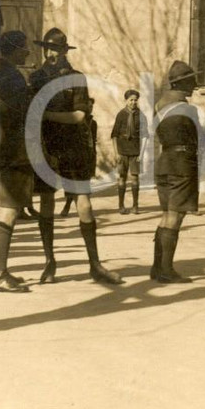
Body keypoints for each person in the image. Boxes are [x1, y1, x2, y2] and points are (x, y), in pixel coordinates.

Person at [29, 28, 123, 285]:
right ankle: (50, 263)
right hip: (47, 148)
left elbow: (80, 116)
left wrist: (46, 116)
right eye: (48, 49)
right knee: (46, 203)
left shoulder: (76, 78)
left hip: (73, 147)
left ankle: (95, 264)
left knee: (84, 202)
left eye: (56, 50)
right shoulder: (35, 78)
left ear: (63, 52)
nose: (51, 54)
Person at [0, 31, 35, 292]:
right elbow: (19, 111)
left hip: (3, 146)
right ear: (14, 49)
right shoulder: (11, 76)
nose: (26, 52)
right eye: (23, 47)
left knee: (10, 208)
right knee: (10, 209)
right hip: (14, 148)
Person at [150, 60, 204, 283]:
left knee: (165, 216)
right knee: (175, 217)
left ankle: (157, 267)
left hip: (164, 162)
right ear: (183, 83)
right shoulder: (188, 109)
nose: (195, 84)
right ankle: (166, 270)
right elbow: (199, 137)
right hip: (182, 163)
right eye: (192, 80)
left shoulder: (159, 107)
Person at [110, 89, 148, 215]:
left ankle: (135, 206)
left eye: (135, 100)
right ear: (126, 100)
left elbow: (144, 136)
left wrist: (141, 154)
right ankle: (121, 205)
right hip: (122, 151)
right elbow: (114, 135)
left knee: (135, 179)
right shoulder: (121, 114)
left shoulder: (141, 115)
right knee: (122, 178)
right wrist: (116, 153)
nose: (133, 102)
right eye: (131, 100)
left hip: (135, 152)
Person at [61, 97, 98, 217]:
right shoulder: (75, 120)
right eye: (88, 106)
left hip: (88, 155)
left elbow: (93, 140)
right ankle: (67, 205)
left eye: (92, 106)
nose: (90, 108)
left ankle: (84, 208)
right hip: (75, 155)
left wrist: (93, 155)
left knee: (85, 183)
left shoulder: (93, 123)